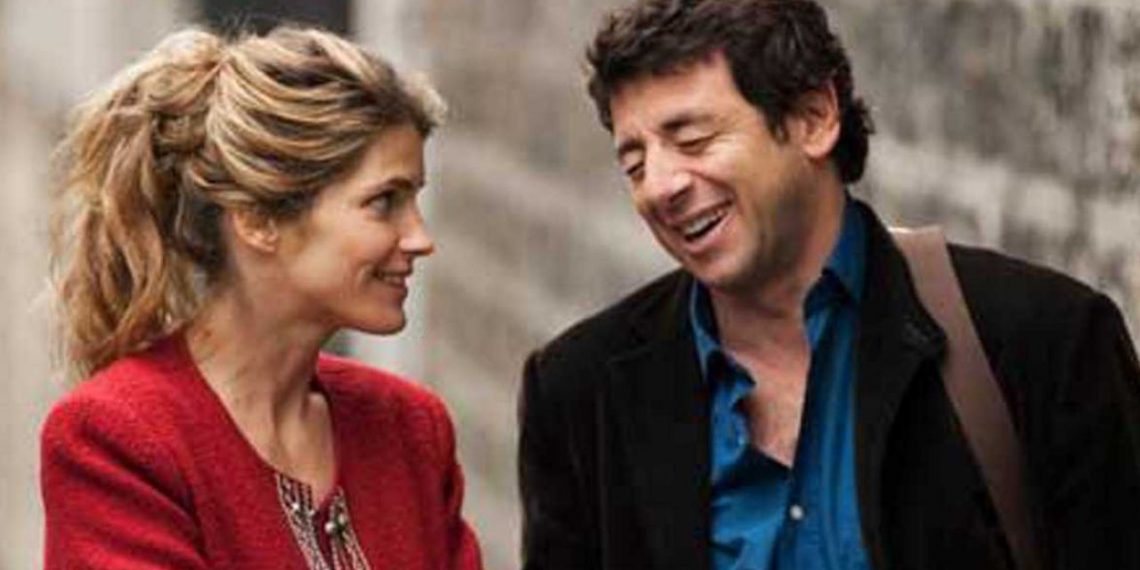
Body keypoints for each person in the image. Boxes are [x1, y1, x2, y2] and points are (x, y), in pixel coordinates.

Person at [517, 1, 1140, 569]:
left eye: (693, 140)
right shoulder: (577, 392)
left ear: (814, 117)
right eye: (634, 163)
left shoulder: (1047, 343)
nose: (659, 186)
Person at [41, 26, 482, 570]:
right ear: (257, 220)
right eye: (383, 202)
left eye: (414, 200)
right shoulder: (120, 438)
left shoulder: (409, 426)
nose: (420, 237)